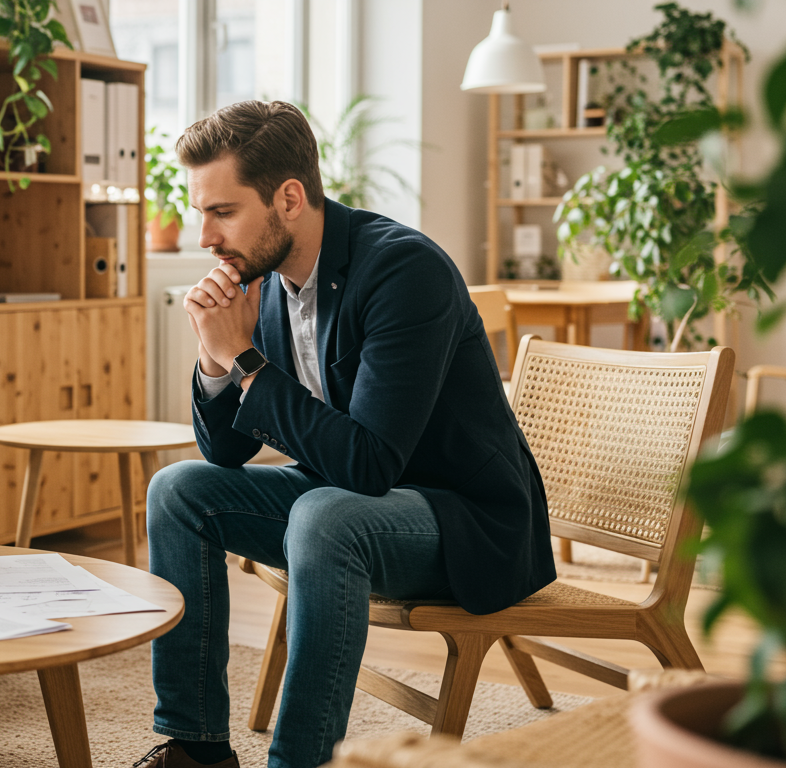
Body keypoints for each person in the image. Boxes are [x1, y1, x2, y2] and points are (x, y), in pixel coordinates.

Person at [132, 101, 554, 768]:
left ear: (290, 198)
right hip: (342, 500)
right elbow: (227, 452)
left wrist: (245, 359)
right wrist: (217, 362)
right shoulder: (267, 281)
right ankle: (196, 747)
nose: (205, 236)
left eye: (222, 211)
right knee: (179, 489)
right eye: (199, 212)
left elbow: (370, 465)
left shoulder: (404, 271)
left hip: (460, 518)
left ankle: (300, 761)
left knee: (326, 516)